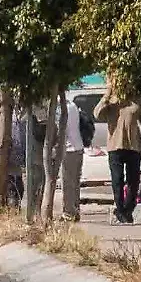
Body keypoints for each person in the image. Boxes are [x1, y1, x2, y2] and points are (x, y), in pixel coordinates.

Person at [97, 79, 141, 224]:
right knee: (117, 180)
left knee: (134, 181)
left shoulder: (138, 100)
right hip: (114, 146)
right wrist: (108, 95)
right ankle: (121, 210)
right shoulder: (111, 100)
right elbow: (97, 114)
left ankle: (128, 209)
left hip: (133, 146)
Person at [60, 92, 89, 221]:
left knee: (67, 183)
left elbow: (60, 129)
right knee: (75, 182)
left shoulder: (61, 108)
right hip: (78, 147)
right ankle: (75, 210)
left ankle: (69, 213)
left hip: (69, 148)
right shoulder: (72, 105)